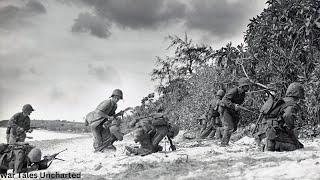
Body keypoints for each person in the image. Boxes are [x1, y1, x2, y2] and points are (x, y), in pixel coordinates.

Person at [255, 82, 305, 151]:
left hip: (264, 130)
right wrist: (291, 129)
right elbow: (287, 115)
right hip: (274, 131)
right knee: (296, 147)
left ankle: (266, 141)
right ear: (299, 94)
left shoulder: (282, 101)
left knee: (297, 144)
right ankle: (273, 144)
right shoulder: (292, 104)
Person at [219, 78, 250, 146]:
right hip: (225, 109)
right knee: (229, 127)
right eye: (246, 85)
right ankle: (223, 144)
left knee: (234, 127)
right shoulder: (234, 90)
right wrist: (234, 106)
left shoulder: (243, 93)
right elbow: (224, 100)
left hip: (231, 110)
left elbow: (238, 103)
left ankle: (221, 131)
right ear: (242, 86)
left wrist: (238, 108)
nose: (248, 87)